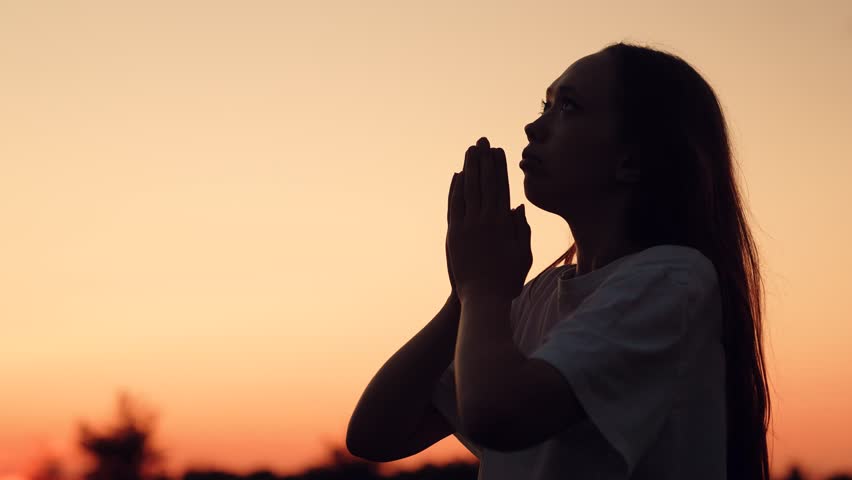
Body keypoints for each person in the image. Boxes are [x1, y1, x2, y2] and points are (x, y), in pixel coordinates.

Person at [346, 41, 772, 480]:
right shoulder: (535, 298)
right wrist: (462, 297)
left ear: (631, 159)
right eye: (545, 105)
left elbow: (498, 414)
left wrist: (482, 291)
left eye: (568, 107)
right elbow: (375, 435)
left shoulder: (673, 281)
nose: (533, 127)